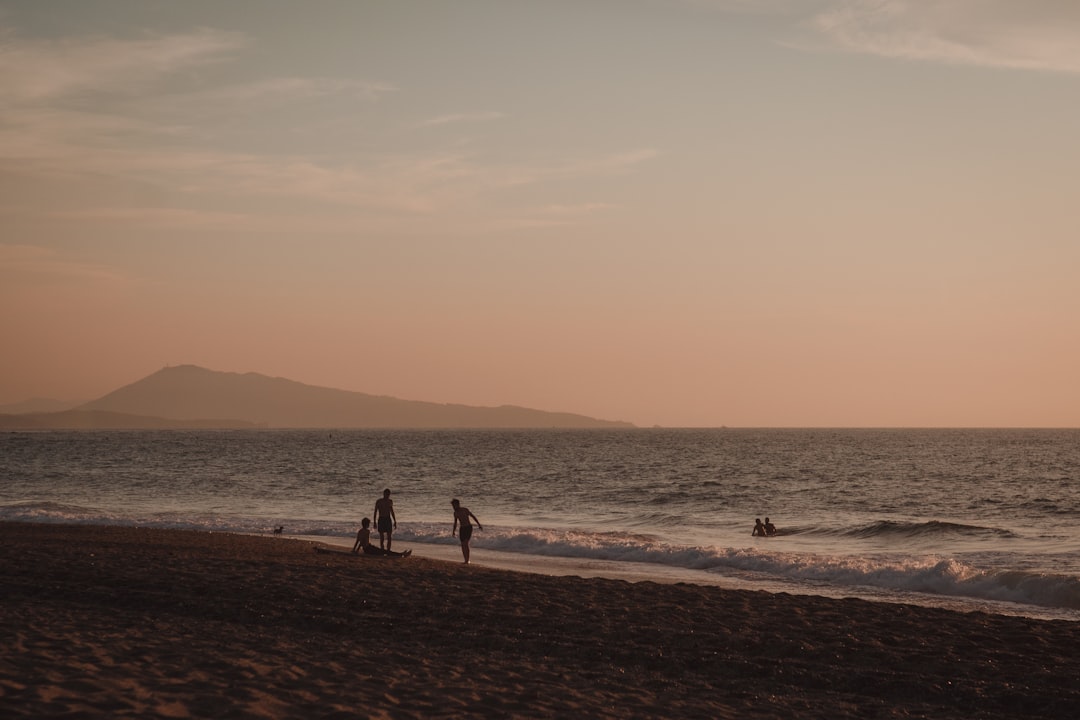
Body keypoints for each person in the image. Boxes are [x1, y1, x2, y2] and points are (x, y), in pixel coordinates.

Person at [451, 498, 482, 564]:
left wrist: (479, 524)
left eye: (454, 505)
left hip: (468, 527)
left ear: (458, 504)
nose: (453, 507)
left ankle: (468, 560)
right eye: (452, 506)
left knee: (466, 543)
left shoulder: (465, 510)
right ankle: (465, 559)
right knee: (462, 544)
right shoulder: (455, 513)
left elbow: (473, 516)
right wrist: (453, 531)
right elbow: (455, 523)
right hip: (462, 528)